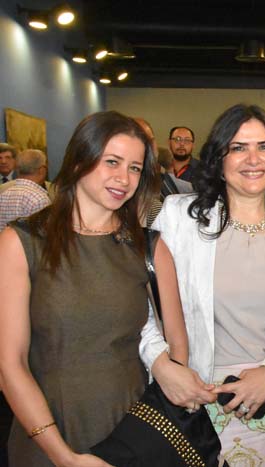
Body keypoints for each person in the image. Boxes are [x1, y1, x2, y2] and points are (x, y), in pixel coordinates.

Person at [0, 111, 194, 467]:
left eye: (135, 168)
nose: (124, 179)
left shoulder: (150, 248)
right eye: (112, 162)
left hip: (131, 434)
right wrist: (64, 457)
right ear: (79, 161)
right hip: (48, 433)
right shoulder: (22, 243)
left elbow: (177, 348)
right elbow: (9, 364)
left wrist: (160, 408)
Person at [142, 104, 265, 466]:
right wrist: (161, 364)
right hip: (196, 404)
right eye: (238, 148)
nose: (253, 159)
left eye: (264, 146)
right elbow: (140, 304)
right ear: (218, 158)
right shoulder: (179, 216)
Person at [0, 149, 50, 231]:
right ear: (42, 170)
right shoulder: (39, 199)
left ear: (17, 169)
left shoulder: (4, 194)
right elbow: (44, 234)